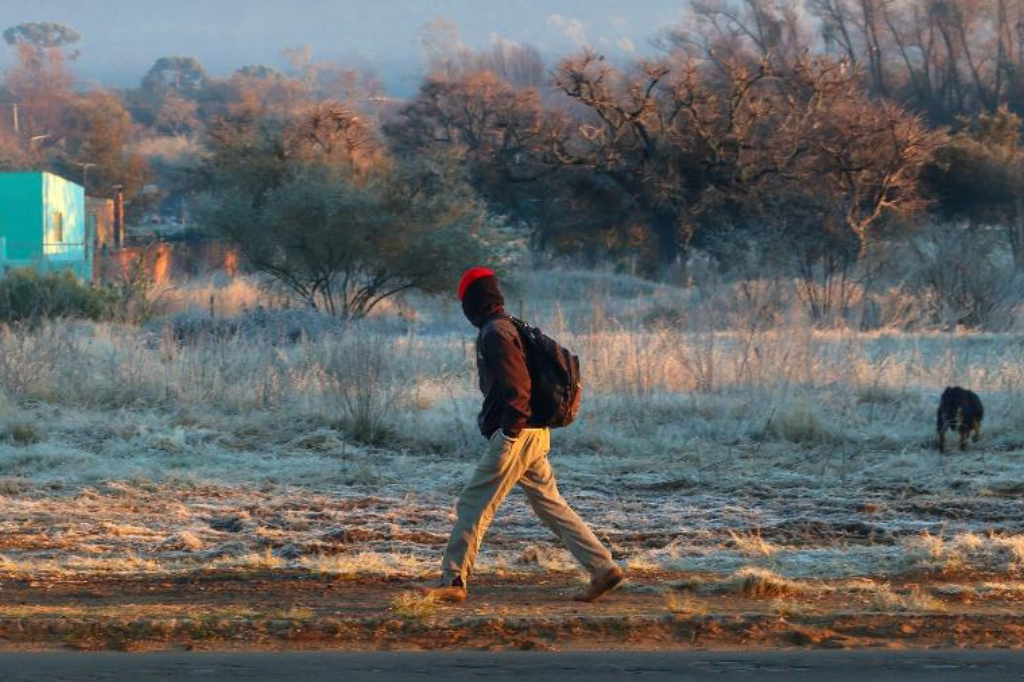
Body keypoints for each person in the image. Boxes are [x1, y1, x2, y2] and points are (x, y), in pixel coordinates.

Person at [430, 266, 624, 603]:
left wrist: (509, 433)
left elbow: (517, 386)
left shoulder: (495, 333)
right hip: (535, 434)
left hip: (517, 435)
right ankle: (603, 567)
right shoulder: (512, 326)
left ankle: (453, 581)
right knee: (551, 505)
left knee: (474, 503)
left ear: (473, 302)